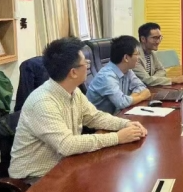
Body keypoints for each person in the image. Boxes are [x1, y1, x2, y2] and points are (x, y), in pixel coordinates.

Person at [9, 37, 147, 181]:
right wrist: (117, 137)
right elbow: (67, 145)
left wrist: (126, 124)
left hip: (65, 166)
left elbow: (95, 117)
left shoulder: (73, 91)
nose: (88, 66)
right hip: (35, 179)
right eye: (85, 63)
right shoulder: (42, 102)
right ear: (73, 72)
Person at [87, 35, 151, 114]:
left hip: (117, 115)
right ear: (126, 58)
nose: (139, 58)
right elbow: (121, 103)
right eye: (137, 54)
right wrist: (141, 96)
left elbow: (141, 86)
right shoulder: (107, 76)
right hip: (99, 120)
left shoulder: (128, 70)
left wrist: (132, 98)